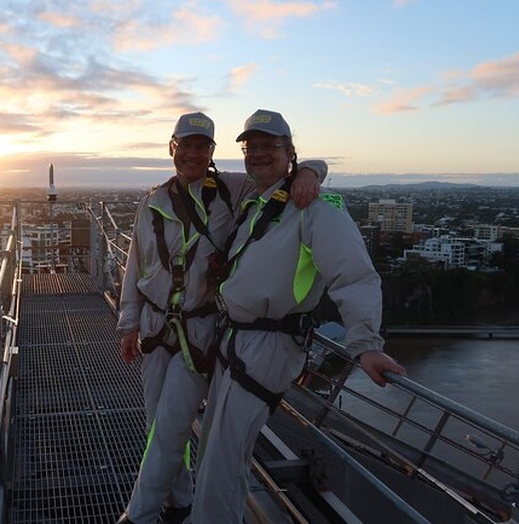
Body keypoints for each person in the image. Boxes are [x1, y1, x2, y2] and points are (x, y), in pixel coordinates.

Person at [190, 109, 406, 524]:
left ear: (289, 152)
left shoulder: (315, 208)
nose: (257, 155)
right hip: (235, 339)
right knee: (213, 447)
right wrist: (311, 168)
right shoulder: (254, 200)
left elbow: (354, 275)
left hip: (266, 343)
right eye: (250, 147)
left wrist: (366, 344)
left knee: (223, 455)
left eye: (269, 146)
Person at [115, 111, 328, 524]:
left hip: (200, 329)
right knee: (156, 422)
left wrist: (310, 173)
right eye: (185, 146)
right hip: (157, 327)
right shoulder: (153, 201)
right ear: (172, 148)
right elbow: (135, 266)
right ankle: (179, 499)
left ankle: (138, 515)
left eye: (201, 147)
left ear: (212, 152)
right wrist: (129, 324)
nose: (192, 154)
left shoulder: (232, 189)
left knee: (170, 427)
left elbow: (279, 174)